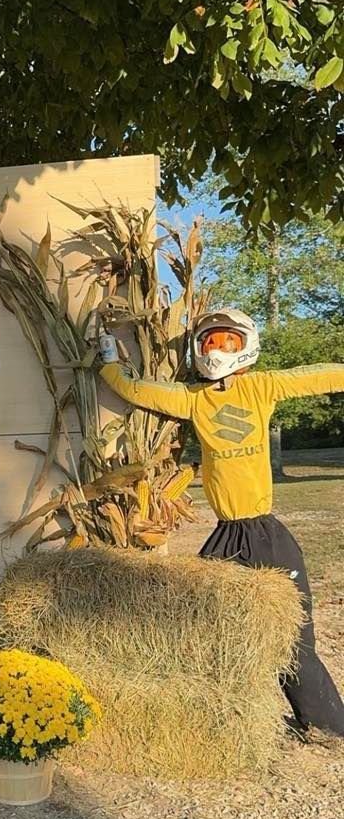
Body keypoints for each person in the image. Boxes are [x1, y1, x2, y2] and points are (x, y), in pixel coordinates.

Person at [98, 309, 344, 739]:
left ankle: (327, 725)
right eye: (209, 342)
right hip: (227, 535)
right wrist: (108, 363)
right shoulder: (193, 398)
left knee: (295, 636)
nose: (217, 350)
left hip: (265, 534)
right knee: (204, 626)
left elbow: (316, 376)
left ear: (246, 346)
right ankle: (220, 720)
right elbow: (139, 391)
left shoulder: (263, 386)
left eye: (227, 341)